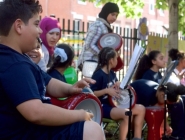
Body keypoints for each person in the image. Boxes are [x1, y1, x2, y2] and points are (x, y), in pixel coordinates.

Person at [0, 1, 104, 140]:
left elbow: (47, 82)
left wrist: (70, 88)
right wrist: (79, 114)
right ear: (19, 26)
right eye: (36, 24)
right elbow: (36, 112)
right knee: (92, 130)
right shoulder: (15, 65)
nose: (40, 31)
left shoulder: (17, 59)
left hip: (30, 130)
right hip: (25, 133)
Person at [90, 47, 145, 140]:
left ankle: (137, 137)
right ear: (111, 60)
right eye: (116, 58)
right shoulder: (98, 75)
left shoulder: (112, 73)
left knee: (141, 109)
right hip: (102, 106)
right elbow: (91, 93)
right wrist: (106, 91)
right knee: (127, 113)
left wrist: (119, 84)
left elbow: (115, 88)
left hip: (114, 104)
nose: (118, 60)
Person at [77, 2, 119, 71]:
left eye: (116, 15)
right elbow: (89, 45)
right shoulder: (98, 25)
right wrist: (104, 55)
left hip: (95, 62)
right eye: (112, 14)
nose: (114, 18)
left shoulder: (105, 26)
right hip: (91, 62)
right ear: (106, 12)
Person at [167, 48, 185, 139]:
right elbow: (174, 90)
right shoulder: (171, 73)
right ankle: (179, 134)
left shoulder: (182, 72)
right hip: (173, 99)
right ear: (181, 61)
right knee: (182, 100)